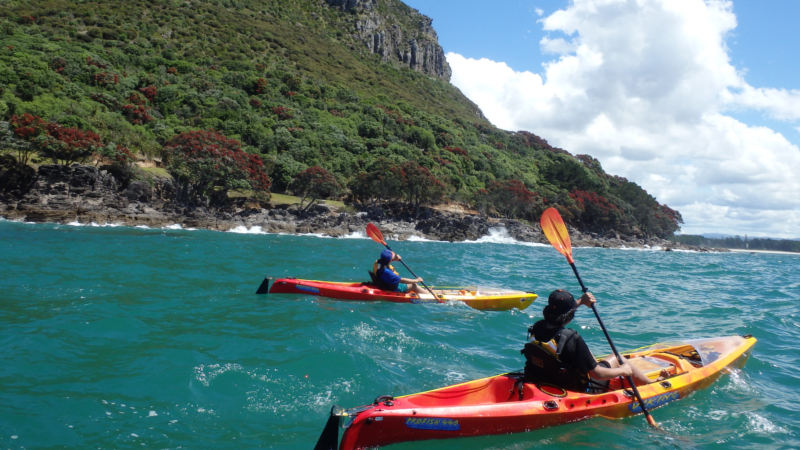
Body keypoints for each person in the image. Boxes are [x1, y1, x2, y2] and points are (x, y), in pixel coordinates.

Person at [521, 289, 653, 392]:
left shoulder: (537, 327)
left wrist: (581, 301)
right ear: (570, 315)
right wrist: (624, 371)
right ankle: (651, 385)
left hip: (544, 379)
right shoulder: (571, 338)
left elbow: (561, 314)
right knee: (619, 359)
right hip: (576, 388)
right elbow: (598, 374)